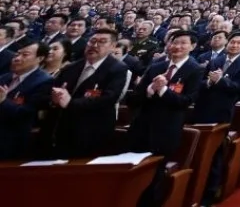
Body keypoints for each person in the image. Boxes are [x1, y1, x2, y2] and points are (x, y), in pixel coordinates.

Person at [48, 28, 129, 158]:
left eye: (102, 42)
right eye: (92, 41)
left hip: (93, 129)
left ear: (112, 46)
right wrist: (55, 98)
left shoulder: (117, 68)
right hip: (65, 127)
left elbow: (109, 98)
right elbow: (55, 91)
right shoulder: (71, 67)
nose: (94, 45)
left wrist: (71, 103)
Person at [127, 30, 203, 159]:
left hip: (166, 128)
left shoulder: (195, 69)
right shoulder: (156, 66)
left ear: (192, 46)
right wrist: (150, 89)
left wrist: (163, 90)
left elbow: (186, 101)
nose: (177, 46)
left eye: (183, 43)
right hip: (142, 125)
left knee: (157, 170)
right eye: (174, 43)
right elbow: (134, 97)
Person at [0, 41, 52, 160]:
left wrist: (4, 101)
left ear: (40, 58)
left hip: (14, 143)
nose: (17, 58)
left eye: (25, 55)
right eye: (17, 54)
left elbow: (28, 114)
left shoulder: (44, 81)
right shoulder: (4, 77)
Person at [192, 33, 240, 124]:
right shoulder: (215, 61)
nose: (234, 45)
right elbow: (200, 82)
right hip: (204, 105)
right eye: (232, 42)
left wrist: (220, 80)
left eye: (239, 43)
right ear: (227, 43)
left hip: (223, 107)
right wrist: (209, 82)